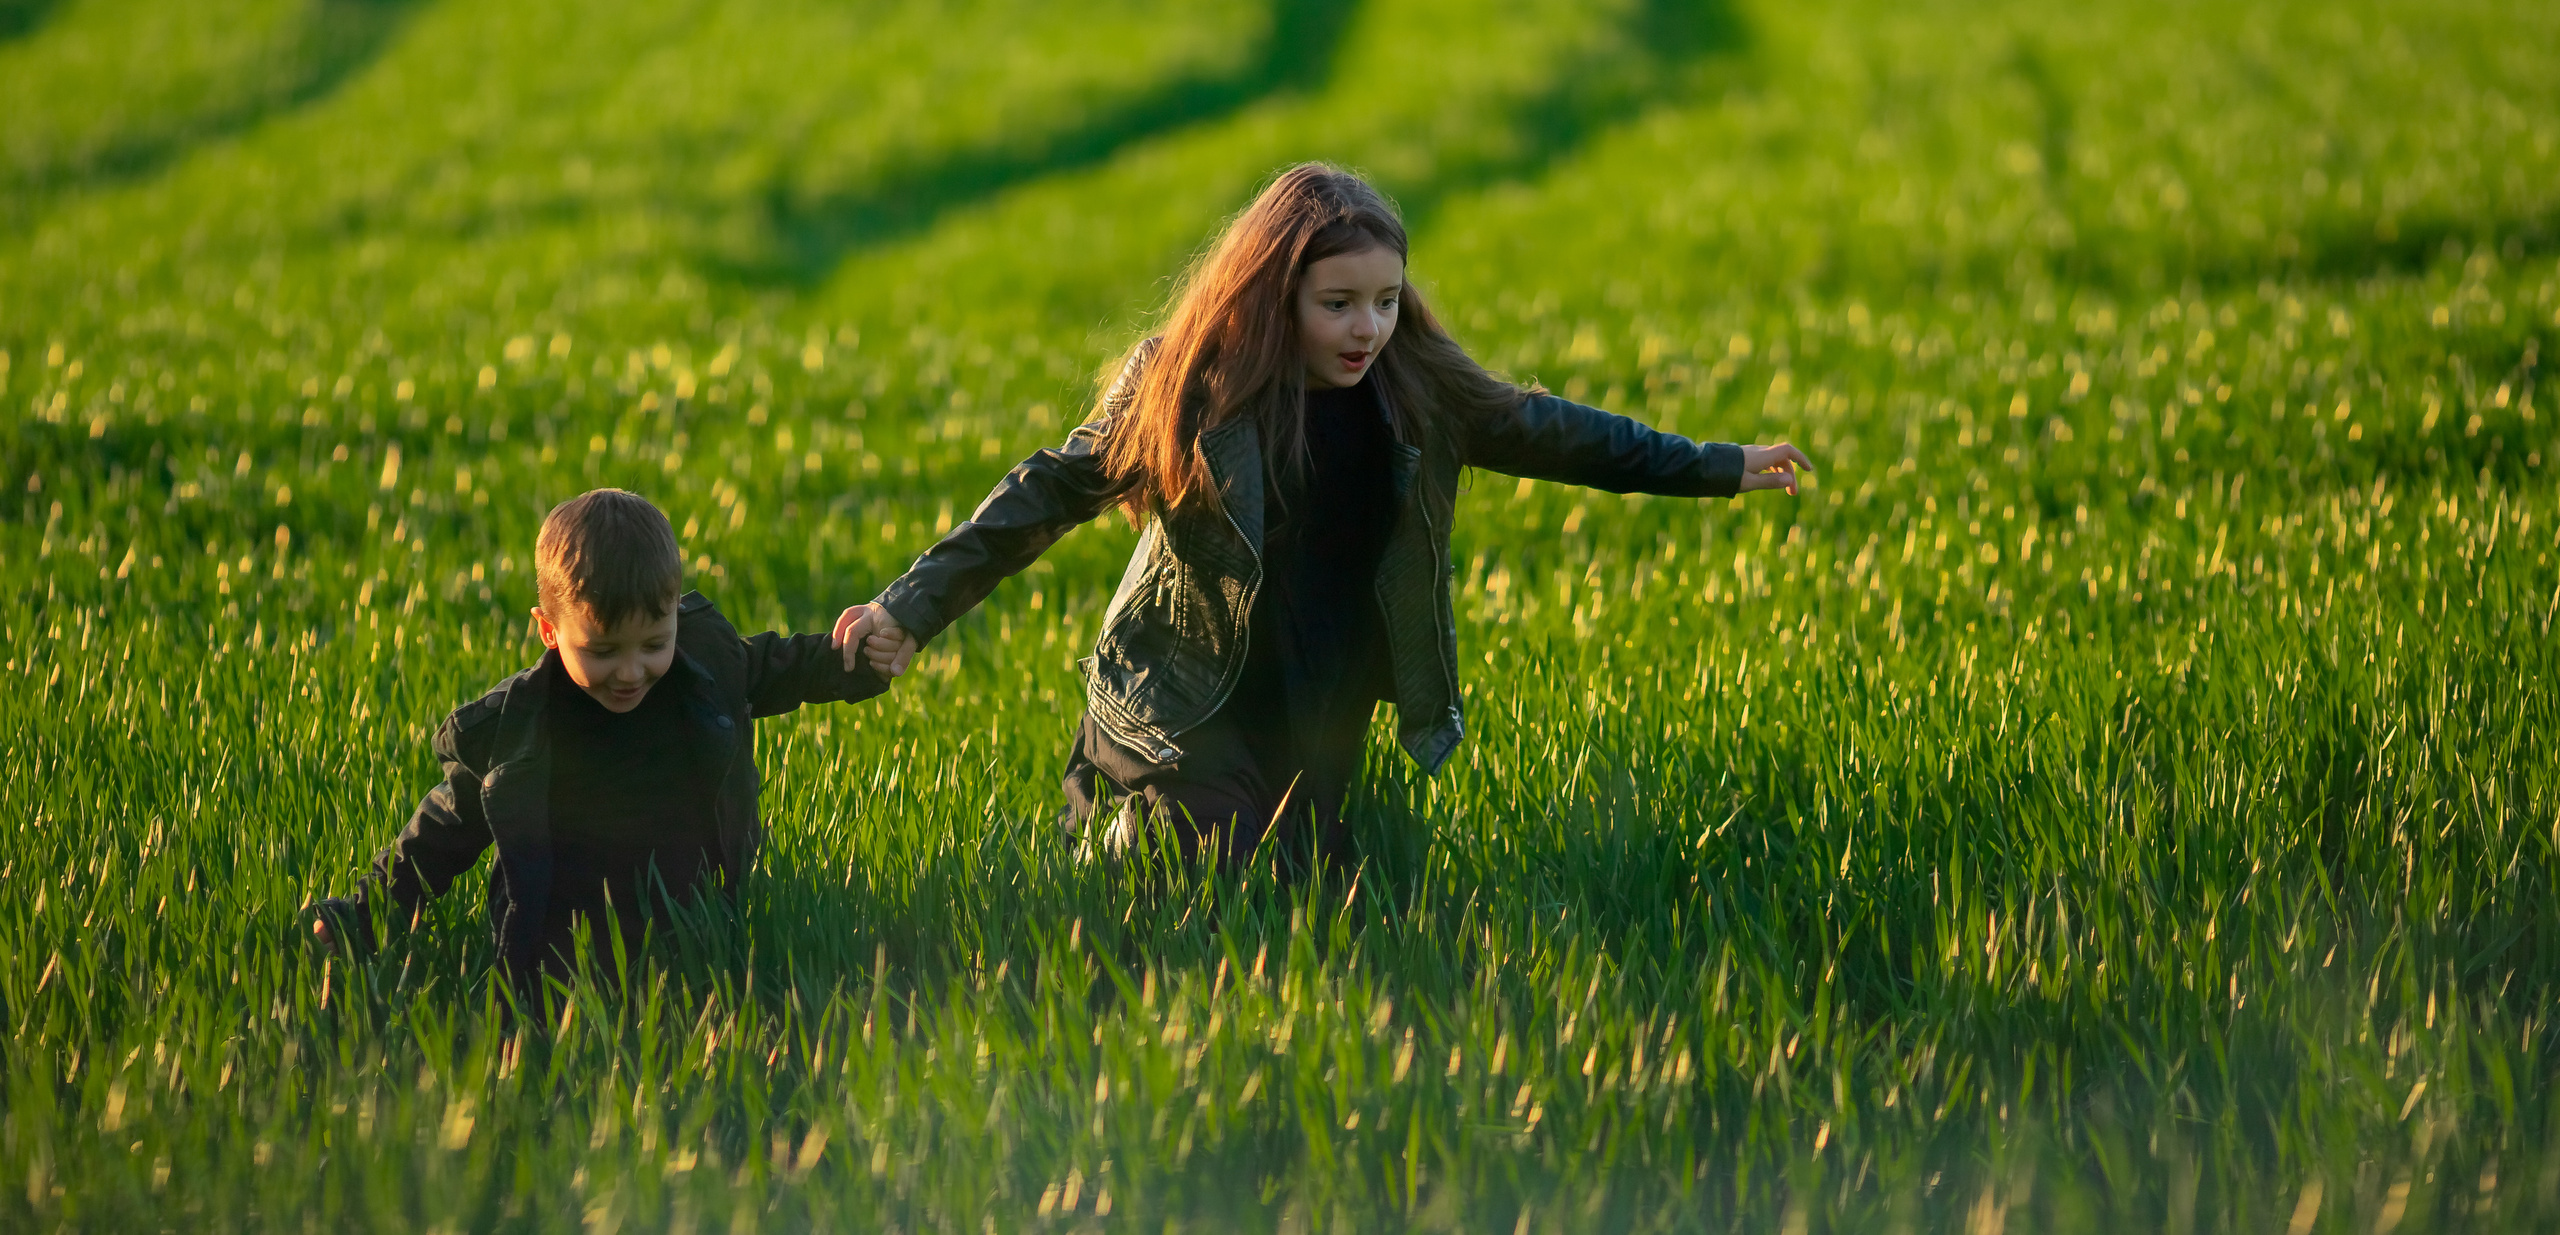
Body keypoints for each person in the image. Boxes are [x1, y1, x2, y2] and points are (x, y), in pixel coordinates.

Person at [836, 164, 1809, 869]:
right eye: (1338, 304)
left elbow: (1560, 435)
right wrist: (906, 612)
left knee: (1315, 895)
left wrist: (1719, 466)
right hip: (1188, 696)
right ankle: (1109, 838)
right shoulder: (1189, 387)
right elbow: (1043, 493)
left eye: (1385, 301)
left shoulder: (1415, 385)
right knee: (1198, 877)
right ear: (1275, 297)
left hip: (1319, 699)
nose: (1366, 330)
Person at [312, 488, 893, 988]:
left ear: (673, 614)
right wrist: (361, 917)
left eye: (653, 644)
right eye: (603, 651)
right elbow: (441, 834)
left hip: (701, 940)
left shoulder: (706, 664)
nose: (631, 671)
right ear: (548, 630)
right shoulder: (516, 732)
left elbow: (785, 665)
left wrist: (859, 656)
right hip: (568, 957)